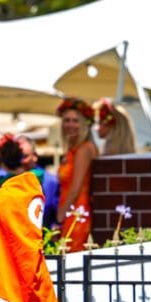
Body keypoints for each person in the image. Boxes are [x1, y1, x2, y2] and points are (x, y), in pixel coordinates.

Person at [55, 98, 98, 252]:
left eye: (75, 121)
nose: (70, 125)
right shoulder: (73, 150)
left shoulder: (84, 149)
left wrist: (59, 218)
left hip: (76, 213)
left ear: (84, 124)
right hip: (71, 211)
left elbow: (75, 189)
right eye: (66, 120)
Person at [16, 135, 59, 230]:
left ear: (35, 156)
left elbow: (54, 213)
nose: (20, 161)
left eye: (24, 156)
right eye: (17, 157)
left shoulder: (49, 181)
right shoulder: (0, 178)